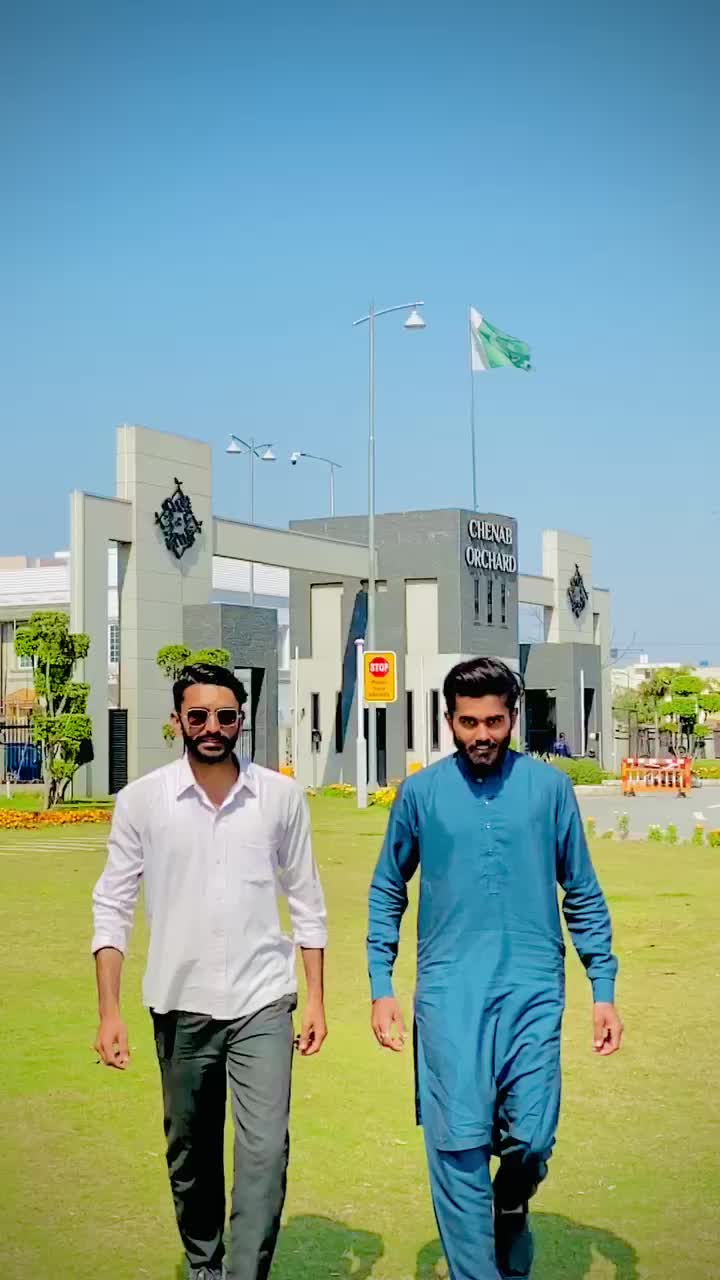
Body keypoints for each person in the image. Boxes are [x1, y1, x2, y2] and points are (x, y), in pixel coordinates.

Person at [367, 657, 622, 1280]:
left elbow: (582, 891)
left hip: (533, 991)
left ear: (513, 718)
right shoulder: (421, 794)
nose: (482, 735)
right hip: (449, 996)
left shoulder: (549, 790)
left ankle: (510, 1202)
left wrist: (603, 988)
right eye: (468, 722)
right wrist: (381, 985)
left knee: (531, 1138)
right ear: (449, 721)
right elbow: (387, 890)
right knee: (458, 1147)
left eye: (494, 722)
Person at [92, 663, 328, 1280]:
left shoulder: (279, 797)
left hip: (263, 1001)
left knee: (265, 1151)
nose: (212, 727)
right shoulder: (143, 801)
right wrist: (109, 1011)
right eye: (198, 716)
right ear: (178, 721)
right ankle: (205, 1263)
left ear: (241, 719)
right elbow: (112, 906)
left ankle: (244, 1273)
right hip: (179, 1000)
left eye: (225, 716)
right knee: (190, 1151)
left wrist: (316, 999)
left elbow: (306, 900)